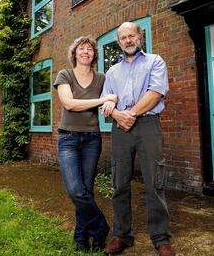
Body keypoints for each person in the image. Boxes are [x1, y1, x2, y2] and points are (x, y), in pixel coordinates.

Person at [101, 22, 175, 256]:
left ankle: (161, 238)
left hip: (147, 125)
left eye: (131, 35)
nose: (128, 40)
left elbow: (155, 93)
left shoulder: (155, 61)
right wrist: (115, 112)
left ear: (139, 36)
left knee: (155, 181)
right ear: (119, 42)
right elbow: (106, 101)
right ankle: (122, 235)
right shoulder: (112, 71)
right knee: (119, 182)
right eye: (123, 38)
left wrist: (129, 114)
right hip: (119, 128)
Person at [53, 36, 117, 252]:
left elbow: (113, 97)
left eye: (90, 49)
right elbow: (70, 104)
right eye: (82, 48)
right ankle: (101, 227)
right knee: (75, 190)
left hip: (91, 139)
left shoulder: (101, 78)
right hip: (68, 139)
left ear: (94, 54)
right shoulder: (65, 74)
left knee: (86, 190)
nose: (86, 52)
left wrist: (111, 100)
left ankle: (83, 238)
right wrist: (102, 100)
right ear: (75, 53)